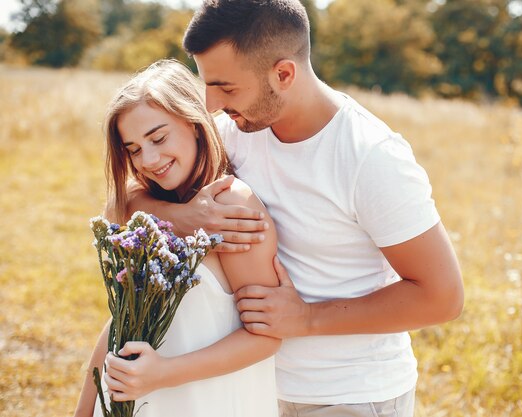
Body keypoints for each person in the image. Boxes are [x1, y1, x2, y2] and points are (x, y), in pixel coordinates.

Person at [126, 1, 465, 416]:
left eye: (226, 87)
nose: (211, 104)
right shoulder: (235, 129)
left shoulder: (370, 157)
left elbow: (442, 297)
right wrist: (186, 217)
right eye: (207, 84)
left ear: (283, 74)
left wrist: (306, 318)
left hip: (350, 395)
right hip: (256, 386)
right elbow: (125, 198)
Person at [73, 59, 281, 417]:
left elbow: (265, 337)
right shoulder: (151, 207)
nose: (149, 159)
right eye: (134, 149)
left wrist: (163, 374)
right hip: (142, 399)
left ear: (195, 123)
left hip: (208, 400)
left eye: (158, 137)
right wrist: (85, 407)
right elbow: (123, 317)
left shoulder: (231, 206)